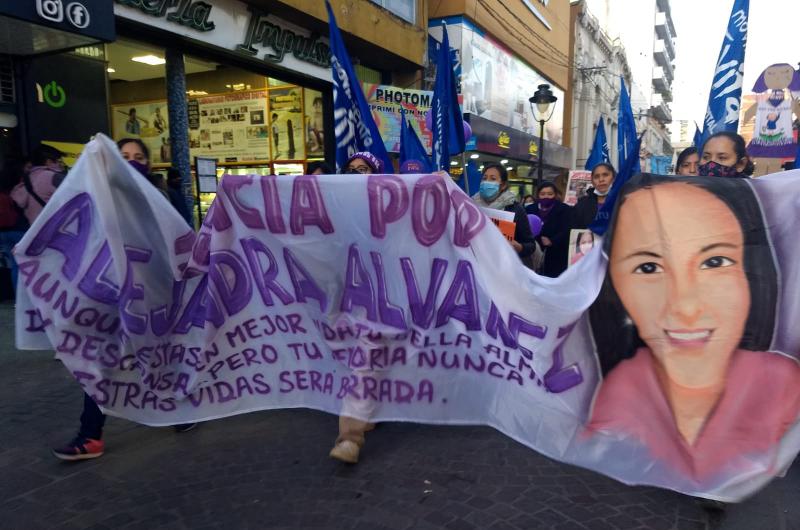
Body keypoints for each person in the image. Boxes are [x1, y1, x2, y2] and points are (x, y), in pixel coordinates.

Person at [585, 174, 800, 480]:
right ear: (615, 285)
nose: (685, 307)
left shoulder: (785, 387)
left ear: (753, 273)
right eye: (649, 268)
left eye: (715, 262)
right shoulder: (615, 398)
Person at [52, 141, 197, 461]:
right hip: (109, 297)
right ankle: (90, 435)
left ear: (148, 164)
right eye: (124, 157)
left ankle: (182, 412)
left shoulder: (159, 200)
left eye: (139, 158)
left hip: (150, 298)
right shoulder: (95, 200)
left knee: (159, 357)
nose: (131, 163)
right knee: (100, 362)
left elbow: (178, 241)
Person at [471, 163, 535, 260]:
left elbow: (531, 245)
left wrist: (519, 247)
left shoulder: (515, 209)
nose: (486, 182)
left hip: (503, 267)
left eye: (493, 179)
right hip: (476, 264)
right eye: (484, 178)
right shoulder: (471, 206)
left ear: (503, 185)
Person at [11, 144, 66, 224]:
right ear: (49, 162)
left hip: (38, 231)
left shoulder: (28, 178)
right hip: (57, 229)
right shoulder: (53, 176)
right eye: (59, 161)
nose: (62, 165)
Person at [525, 181, 571, 277]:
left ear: (555, 195)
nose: (546, 197)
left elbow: (567, 229)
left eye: (550, 194)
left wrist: (552, 241)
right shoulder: (529, 209)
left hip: (556, 254)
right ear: (538, 195)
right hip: (533, 252)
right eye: (542, 194)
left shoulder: (565, 209)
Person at [0, 159, 29, 294]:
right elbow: (22, 204)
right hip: (18, 229)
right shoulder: (18, 187)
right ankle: (26, 296)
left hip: (3, 231)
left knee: (14, 266)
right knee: (25, 264)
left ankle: (17, 297)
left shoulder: (2, 185)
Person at [572, 162, 615, 230]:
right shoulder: (582, 204)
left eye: (605, 175)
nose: (601, 180)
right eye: (596, 177)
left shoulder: (623, 201)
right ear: (592, 181)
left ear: (613, 178)